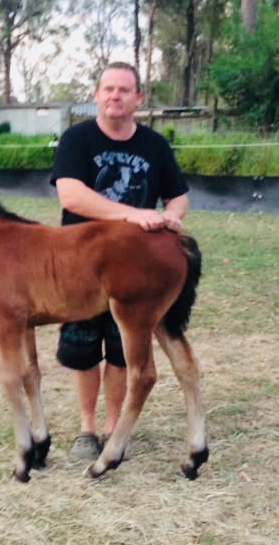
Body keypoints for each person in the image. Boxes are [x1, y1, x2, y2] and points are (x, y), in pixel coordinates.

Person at [50, 61, 189, 460]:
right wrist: (131, 213)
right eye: (108, 89)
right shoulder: (77, 139)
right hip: (80, 261)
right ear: (96, 95)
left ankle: (114, 426)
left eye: (124, 90)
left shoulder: (154, 146)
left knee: (123, 348)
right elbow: (71, 196)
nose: (115, 96)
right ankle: (86, 429)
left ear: (138, 99)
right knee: (82, 347)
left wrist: (172, 217)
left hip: (134, 268)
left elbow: (178, 195)